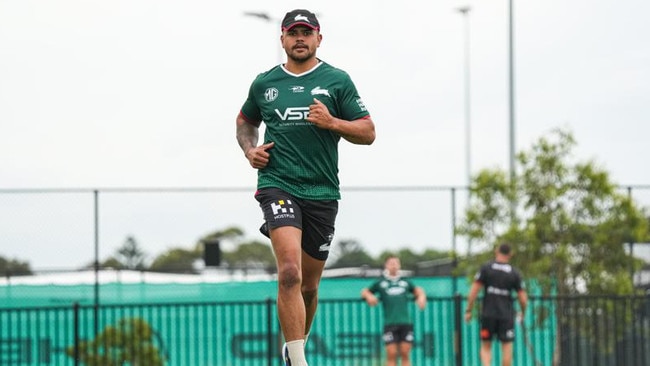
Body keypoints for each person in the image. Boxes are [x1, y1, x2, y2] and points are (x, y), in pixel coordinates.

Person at [235, 8, 376, 366]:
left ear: (318, 38)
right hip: (277, 184)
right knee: (290, 272)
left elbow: (368, 132)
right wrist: (250, 150)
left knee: (309, 286)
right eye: (293, 32)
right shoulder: (264, 84)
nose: (300, 38)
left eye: (307, 32)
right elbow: (244, 121)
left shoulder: (337, 80)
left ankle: (293, 347)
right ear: (282, 38)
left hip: (322, 192)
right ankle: (298, 362)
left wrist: (332, 122)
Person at [464, 243, 528, 366]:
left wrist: (468, 310)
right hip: (506, 315)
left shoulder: (486, 268)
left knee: (486, 346)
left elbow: (474, 291)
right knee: (507, 348)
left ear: (496, 251)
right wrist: (523, 313)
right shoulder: (514, 273)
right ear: (510, 254)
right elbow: (523, 299)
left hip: (488, 314)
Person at [360, 255, 426, 366]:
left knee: (405, 353)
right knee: (391, 353)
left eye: (396, 263)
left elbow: (418, 291)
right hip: (390, 323)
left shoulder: (405, 282)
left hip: (406, 322)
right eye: (391, 263)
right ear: (386, 265)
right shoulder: (381, 283)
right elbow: (365, 291)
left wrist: (421, 297)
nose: (394, 265)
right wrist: (369, 296)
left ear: (399, 265)